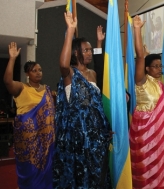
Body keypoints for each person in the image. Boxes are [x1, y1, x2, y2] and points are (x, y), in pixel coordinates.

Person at [53, 11, 111, 188]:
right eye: (86, 50)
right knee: (81, 177)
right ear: (76, 52)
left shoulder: (93, 74)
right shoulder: (70, 74)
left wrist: (105, 127)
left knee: (98, 175)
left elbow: (98, 105)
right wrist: (70, 30)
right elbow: (63, 64)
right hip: (78, 138)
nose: (89, 53)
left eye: (90, 50)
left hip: (96, 136)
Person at [129, 15, 164, 188]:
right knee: (147, 171)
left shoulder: (160, 85)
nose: (160, 69)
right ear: (147, 69)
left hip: (161, 138)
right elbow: (140, 56)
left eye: (161, 66)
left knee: (162, 167)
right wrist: (137, 30)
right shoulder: (141, 80)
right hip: (145, 136)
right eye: (156, 66)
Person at [3, 42, 55, 189]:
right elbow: (7, 81)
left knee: (47, 173)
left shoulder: (47, 91)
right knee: (30, 173)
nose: (38, 72)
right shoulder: (22, 88)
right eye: (34, 70)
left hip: (46, 143)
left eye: (40, 70)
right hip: (28, 142)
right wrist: (12, 58)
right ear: (27, 74)